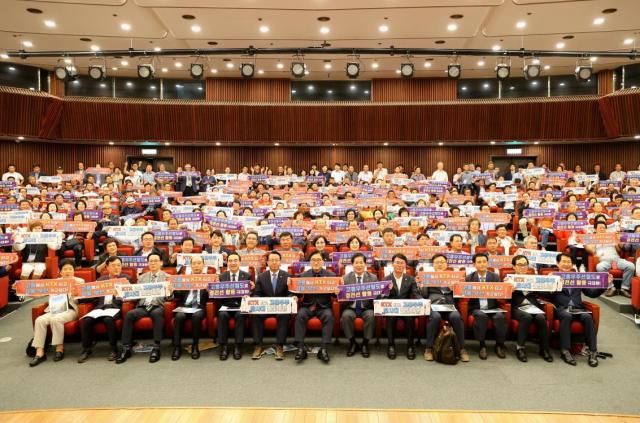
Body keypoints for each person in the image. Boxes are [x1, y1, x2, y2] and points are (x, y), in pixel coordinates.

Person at [550, 253, 603, 367]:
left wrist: (605, 284)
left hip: (578, 309)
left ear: (572, 264)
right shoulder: (552, 276)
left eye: (568, 262)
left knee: (588, 317)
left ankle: (593, 351)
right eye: (563, 261)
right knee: (566, 316)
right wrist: (552, 283)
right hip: (561, 309)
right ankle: (565, 351)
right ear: (557, 263)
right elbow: (543, 294)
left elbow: (591, 293)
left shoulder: (578, 278)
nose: (566, 264)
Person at [116, 253, 170, 364]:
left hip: (158, 305)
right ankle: (126, 348)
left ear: (161, 263)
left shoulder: (167, 277)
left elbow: (170, 297)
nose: (153, 263)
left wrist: (171, 291)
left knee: (157, 314)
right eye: (151, 261)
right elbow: (136, 294)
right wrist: (124, 294)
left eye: (156, 261)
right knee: (130, 314)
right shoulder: (142, 277)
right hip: (143, 306)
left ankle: (156, 347)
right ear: (147, 263)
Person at [29, 259, 84, 367]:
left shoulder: (79, 281)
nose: (67, 271)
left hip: (70, 310)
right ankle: (39, 352)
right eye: (65, 269)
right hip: (54, 309)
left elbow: (83, 298)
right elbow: (39, 293)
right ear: (60, 271)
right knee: (39, 320)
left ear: (74, 271)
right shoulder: (54, 282)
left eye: (70, 269)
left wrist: (76, 293)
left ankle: (59, 349)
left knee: (56, 319)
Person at [78, 256, 131, 363]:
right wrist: (79, 296)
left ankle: (113, 349)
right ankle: (86, 349)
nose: (116, 268)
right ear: (107, 267)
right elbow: (92, 296)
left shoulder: (126, 279)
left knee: (108, 319)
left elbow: (131, 296)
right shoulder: (101, 280)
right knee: (87, 320)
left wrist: (120, 294)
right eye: (113, 265)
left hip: (115, 308)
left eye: (118, 265)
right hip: (100, 308)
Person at [422, 254, 469, 362]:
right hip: (434, 306)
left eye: (442, 262)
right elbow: (424, 295)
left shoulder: (454, 276)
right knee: (435, 317)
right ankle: (428, 348)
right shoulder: (428, 276)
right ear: (433, 265)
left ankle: (462, 349)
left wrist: (455, 288)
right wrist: (422, 285)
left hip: (449, 305)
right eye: (437, 262)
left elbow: (461, 295)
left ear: (446, 264)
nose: (440, 264)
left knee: (456, 316)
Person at [509, 255, 553, 363]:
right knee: (526, 317)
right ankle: (520, 348)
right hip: (518, 307)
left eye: (525, 265)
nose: (523, 267)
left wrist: (551, 285)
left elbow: (543, 293)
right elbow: (504, 296)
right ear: (514, 267)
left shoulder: (534, 279)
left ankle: (544, 349)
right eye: (519, 265)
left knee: (541, 318)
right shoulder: (508, 279)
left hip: (533, 306)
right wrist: (510, 289)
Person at [294, 250, 336, 363]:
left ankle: (324, 349)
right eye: (313, 260)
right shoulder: (303, 275)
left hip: (323, 306)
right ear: (309, 262)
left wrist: (337, 292)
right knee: (300, 315)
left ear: (323, 262)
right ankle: (300, 348)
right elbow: (299, 294)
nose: (316, 262)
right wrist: (294, 290)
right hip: (307, 306)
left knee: (329, 316)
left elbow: (334, 295)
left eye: (319, 260)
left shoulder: (331, 275)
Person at [465, 253, 507, 360]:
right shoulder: (469, 278)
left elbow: (501, 294)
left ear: (487, 263)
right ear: (474, 264)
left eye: (484, 261)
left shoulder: (495, 277)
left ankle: (499, 345)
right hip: (476, 308)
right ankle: (482, 344)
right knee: (481, 315)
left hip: (492, 307)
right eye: (479, 262)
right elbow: (464, 294)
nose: (482, 264)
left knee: (500, 317)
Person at [251, 251, 291, 361]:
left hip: (280, 307)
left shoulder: (287, 276)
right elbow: (257, 293)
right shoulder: (261, 276)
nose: (274, 262)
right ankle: (258, 346)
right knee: (256, 314)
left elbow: (290, 293)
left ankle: (280, 346)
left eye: (276, 260)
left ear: (280, 262)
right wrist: (255, 299)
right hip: (266, 307)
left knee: (284, 315)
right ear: (267, 262)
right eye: (271, 260)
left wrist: (292, 297)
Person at [383, 253, 422, 360]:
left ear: (405, 265)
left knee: (410, 318)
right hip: (392, 307)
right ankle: (391, 345)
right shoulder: (386, 279)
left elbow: (415, 293)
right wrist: (387, 290)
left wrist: (422, 301)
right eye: (397, 262)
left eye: (402, 263)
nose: (399, 265)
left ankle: (410, 346)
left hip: (405, 307)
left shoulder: (410, 279)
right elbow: (381, 296)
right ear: (392, 264)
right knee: (391, 317)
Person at [340, 253, 377, 358]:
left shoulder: (373, 278)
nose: (359, 265)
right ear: (352, 264)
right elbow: (340, 296)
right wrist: (337, 292)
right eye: (356, 263)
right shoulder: (345, 278)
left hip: (366, 307)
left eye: (361, 262)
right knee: (346, 316)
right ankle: (352, 343)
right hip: (350, 307)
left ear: (365, 264)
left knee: (371, 316)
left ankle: (365, 343)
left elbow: (378, 294)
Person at [171, 256, 209, 361]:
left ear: (203, 265)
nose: (196, 266)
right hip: (185, 306)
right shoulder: (184, 278)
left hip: (199, 307)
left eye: (199, 263)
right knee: (179, 316)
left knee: (197, 316)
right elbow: (178, 294)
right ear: (191, 266)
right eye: (194, 263)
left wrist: (210, 290)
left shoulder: (209, 278)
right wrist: (173, 289)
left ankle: (195, 346)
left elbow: (213, 295)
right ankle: (177, 347)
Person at [217, 252, 251, 360]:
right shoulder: (222, 276)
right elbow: (218, 295)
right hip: (226, 306)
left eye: (235, 260)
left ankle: (238, 345)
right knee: (222, 315)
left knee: (240, 315)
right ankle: (224, 346)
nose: (233, 263)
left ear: (240, 262)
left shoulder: (247, 276)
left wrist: (250, 292)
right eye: (230, 261)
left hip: (240, 306)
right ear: (227, 263)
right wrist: (213, 290)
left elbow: (250, 294)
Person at [587, 221, 634, 298]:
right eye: (600, 228)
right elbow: (591, 251)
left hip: (616, 258)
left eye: (604, 228)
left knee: (631, 266)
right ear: (595, 229)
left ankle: (624, 288)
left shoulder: (611, 237)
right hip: (603, 260)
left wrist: (617, 242)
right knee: (600, 267)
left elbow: (619, 250)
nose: (602, 229)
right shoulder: (592, 238)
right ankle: (611, 288)